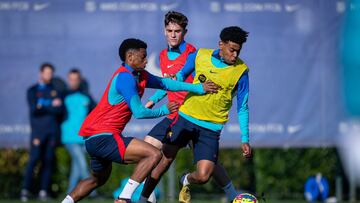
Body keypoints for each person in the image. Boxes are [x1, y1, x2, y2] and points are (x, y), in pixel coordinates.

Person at [60, 38, 218, 203]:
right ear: (130, 58)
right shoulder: (125, 78)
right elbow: (140, 112)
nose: (146, 60)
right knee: (154, 154)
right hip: (104, 136)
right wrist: (165, 110)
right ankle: (124, 197)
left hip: (93, 138)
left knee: (96, 180)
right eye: (143, 57)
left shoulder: (140, 75)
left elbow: (167, 83)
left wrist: (198, 88)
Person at [121, 11, 243, 203]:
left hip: (187, 112)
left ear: (185, 32)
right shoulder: (162, 55)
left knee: (203, 165)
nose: (173, 35)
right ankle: (147, 195)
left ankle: (139, 196)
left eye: (177, 31)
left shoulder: (193, 53)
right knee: (152, 149)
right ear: (164, 31)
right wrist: (154, 99)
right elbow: (168, 83)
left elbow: (184, 82)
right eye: (169, 30)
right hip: (174, 111)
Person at [21, 63, 63, 202]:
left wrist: (43, 105)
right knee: (33, 161)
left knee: (48, 162)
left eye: (51, 73)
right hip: (38, 133)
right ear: (41, 73)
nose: (49, 75)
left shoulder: (55, 90)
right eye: (47, 73)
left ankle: (43, 191)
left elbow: (59, 110)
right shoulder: (32, 90)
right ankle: (25, 190)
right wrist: (50, 104)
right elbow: (34, 109)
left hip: (51, 132)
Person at [61, 69, 96, 194]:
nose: (73, 82)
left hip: (83, 137)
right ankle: (93, 193)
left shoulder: (87, 97)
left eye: (76, 79)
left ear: (80, 80)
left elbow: (95, 112)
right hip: (69, 137)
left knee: (77, 168)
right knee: (82, 164)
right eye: (71, 79)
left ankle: (70, 192)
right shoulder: (63, 96)